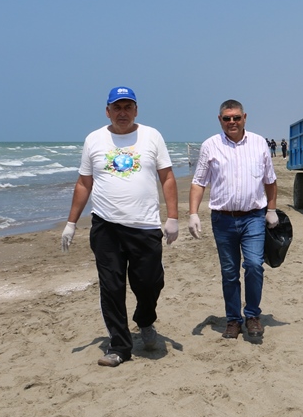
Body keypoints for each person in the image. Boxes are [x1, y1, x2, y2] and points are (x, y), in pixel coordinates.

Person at [62, 86, 179, 368]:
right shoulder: (94, 139)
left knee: (150, 282)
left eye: (128, 107)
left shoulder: (152, 136)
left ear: (136, 110)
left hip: (145, 225)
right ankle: (119, 346)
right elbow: (84, 183)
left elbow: (167, 177)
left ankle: (145, 320)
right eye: (117, 107)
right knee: (112, 286)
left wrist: (173, 217)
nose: (122, 113)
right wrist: (71, 223)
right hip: (106, 227)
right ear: (108, 111)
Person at [188, 100, 278, 341]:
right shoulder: (210, 145)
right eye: (227, 118)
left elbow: (270, 179)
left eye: (236, 117)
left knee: (253, 265)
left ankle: (252, 315)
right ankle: (233, 320)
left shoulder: (259, 143)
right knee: (229, 272)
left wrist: (272, 209)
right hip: (223, 220)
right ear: (220, 120)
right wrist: (193, 213)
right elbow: (199, 181)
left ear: (245, 117)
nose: (232, 122)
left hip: (253, 218)